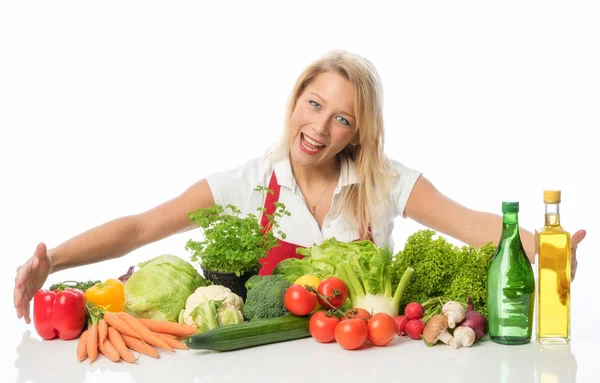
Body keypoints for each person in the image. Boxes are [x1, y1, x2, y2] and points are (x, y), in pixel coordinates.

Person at [14, 49, 587, 323]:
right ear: (296, 100)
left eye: (341, 118)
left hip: (367, 362)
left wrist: (549, 253)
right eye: (314, 104)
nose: (318, 127)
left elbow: (476, 225)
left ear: (358, 131)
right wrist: (54, 262)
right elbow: (141, 226)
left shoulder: (385, 182)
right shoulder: (246, 183)